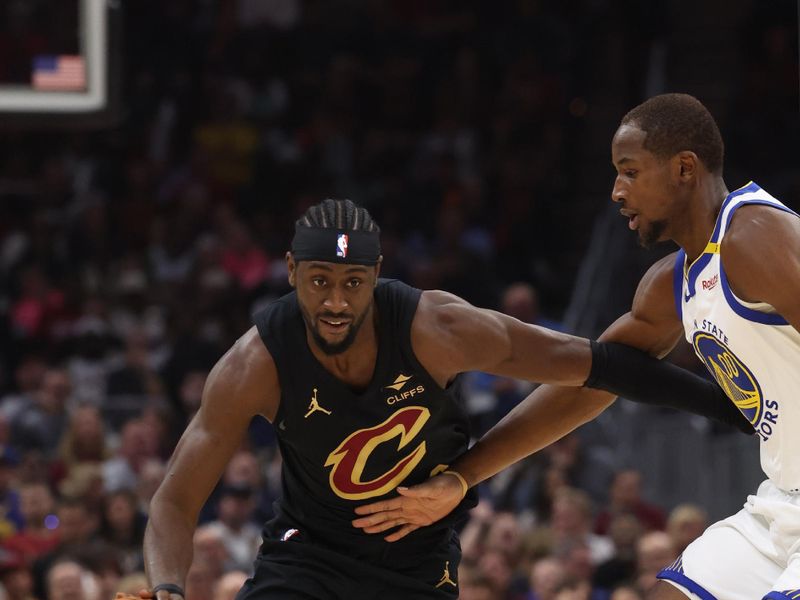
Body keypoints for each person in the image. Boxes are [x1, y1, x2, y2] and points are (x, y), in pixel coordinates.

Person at [143, 197, 749, 600]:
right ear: (291, 271)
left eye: (353, 284)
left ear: (376, 275)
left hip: (417, 559)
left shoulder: (437, 329)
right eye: (320, 282)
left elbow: (596, 365)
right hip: (308, 557)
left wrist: (732, 407)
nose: (335, 302)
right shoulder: (256, 364)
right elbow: (173, 502)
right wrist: (168, 591)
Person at [354, 93, 800, 600]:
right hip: (782, 505)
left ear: (684, 168)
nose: (616, 191)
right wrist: (462, 477)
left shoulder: (755, 234)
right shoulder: (672, 284)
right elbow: (591, 383)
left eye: (630, 171)